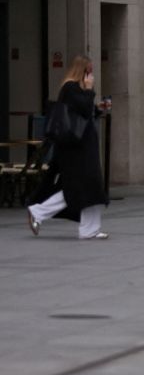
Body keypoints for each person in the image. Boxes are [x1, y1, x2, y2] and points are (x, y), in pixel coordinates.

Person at [26, 56, 111, 239]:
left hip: (84, 146)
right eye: (89, 71)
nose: (91, 75)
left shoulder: (76, 89)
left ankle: (90, 229)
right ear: (82, 70)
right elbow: (82, 107)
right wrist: (89, 91)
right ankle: (38, 211)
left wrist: (98, 107)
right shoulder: (70, 87)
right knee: (80, 186)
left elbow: (85, 111)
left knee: (92, 188)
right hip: (75, 148)